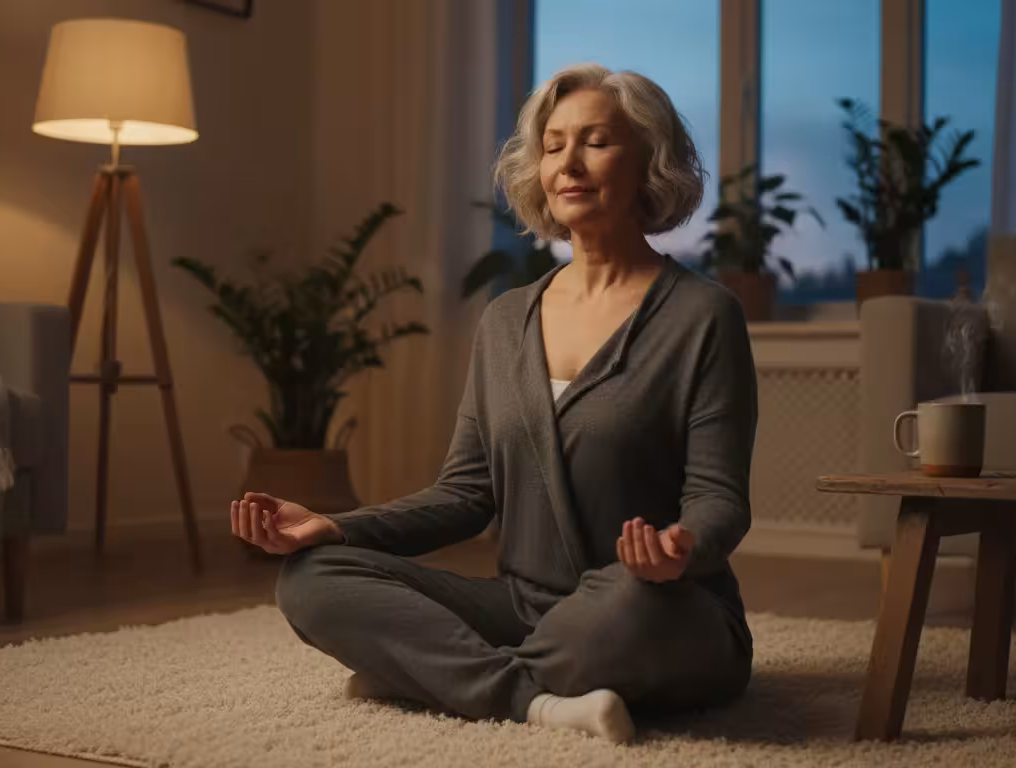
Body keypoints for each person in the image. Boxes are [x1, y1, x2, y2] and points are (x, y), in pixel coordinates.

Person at [229, 63, 758, 744]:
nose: (568, 161)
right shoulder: (506, 319)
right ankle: (533, 699)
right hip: (522, 606)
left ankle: (435, 677)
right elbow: (464, 493)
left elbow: (720, 499)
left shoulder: (703, 315)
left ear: (650, 162)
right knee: (310, 579)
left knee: (613, 614)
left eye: (596, 141)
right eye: (553, 144)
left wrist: (681, 548)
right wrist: (334, 527)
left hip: (650, 603)